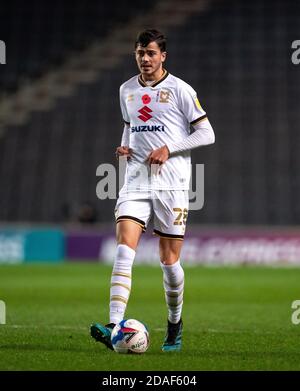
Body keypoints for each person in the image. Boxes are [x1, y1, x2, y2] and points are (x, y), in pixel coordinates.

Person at [91, 29, 215, 352]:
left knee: (169, 262)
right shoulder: (126, 90)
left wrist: (169, 148)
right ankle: (114, 324)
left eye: (151, 53)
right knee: (123, 250)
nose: (145, 59)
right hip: (135, 180)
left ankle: (174, 323)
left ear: (163, 56)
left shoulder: (180, 90)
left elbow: (207, 134)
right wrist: (125, 145)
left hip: (172, 183)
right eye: (140, 53)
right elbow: (129, 125)